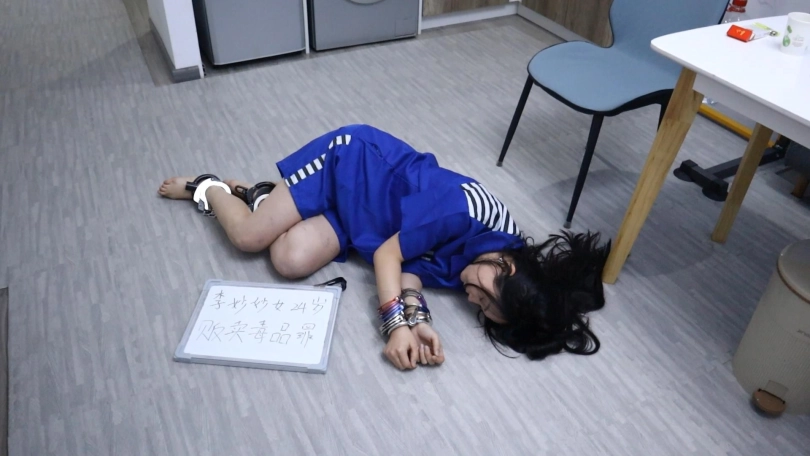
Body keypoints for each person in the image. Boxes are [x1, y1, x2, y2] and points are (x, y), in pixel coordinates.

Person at [158, 124, 611, 370]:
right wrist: (395, 327)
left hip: (370, 220)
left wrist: (420, 321)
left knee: (288, 260)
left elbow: (412, 269)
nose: (473, 299)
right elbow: (388, 257)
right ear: (509, 269)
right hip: (350, 165)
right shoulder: (465, 213)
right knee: (248, 238)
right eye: (487, 298)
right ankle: (211, 187)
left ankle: (261, 196)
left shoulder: (491, 260)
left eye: (483, 310)